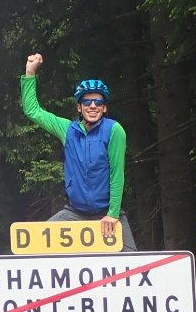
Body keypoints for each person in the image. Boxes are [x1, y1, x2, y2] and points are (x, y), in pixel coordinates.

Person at [21, 52, 138, 251]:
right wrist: (30, 73)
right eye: (87, 102)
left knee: (133, 265)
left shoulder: (114, 130)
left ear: (104, 107)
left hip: (107, 214)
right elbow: (33, 111)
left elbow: (117, 174)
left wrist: (112, 214)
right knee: (36, 248)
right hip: (75, 212)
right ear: (79, 107)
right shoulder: (68, 130)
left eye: (98, 102)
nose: (93, 106)